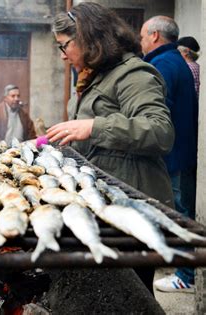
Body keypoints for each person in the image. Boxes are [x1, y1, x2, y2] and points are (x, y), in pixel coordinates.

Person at [46, 3, 175, 293]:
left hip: (135, 202)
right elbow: (86, 133)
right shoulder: (95, 76)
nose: (63, 56)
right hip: (107, 201)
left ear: (89, 38)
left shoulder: (134, 74)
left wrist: (94, 126)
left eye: (64, 46)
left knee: (133, 295)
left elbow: (160, 131)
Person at [140, 16, 199, 293]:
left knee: (178, 214)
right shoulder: (177, 61)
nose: (141, 42)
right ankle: (184, 270)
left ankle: (186, 275)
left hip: (171, 155)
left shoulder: (161, 65)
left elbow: (156, 116)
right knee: (180, 211)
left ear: (154, 36)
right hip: (182, 151)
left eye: (142, 36)